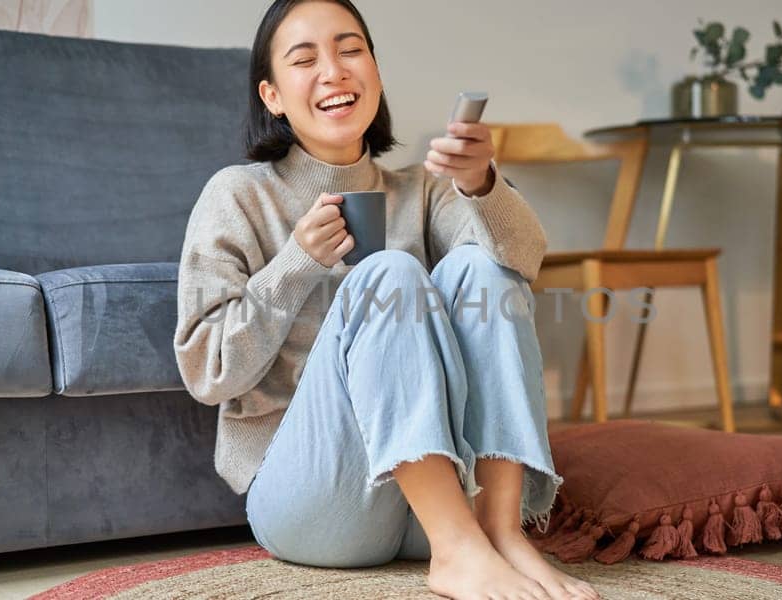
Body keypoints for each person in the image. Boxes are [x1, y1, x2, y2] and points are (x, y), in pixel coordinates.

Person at [174, 2, 598, 598]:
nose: (334, 71)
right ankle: (457, 553)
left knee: (485, 263)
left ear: (374, 71)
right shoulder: (237, 196)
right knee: (390, 274)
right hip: (314, 505)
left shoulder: (421, 194)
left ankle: (500, 533)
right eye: (305, 59)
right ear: (271, 95)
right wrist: (297, 264)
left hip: (438, 500)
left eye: (351, 50)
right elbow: (207, 372)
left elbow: (522, 262)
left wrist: (481, 183)